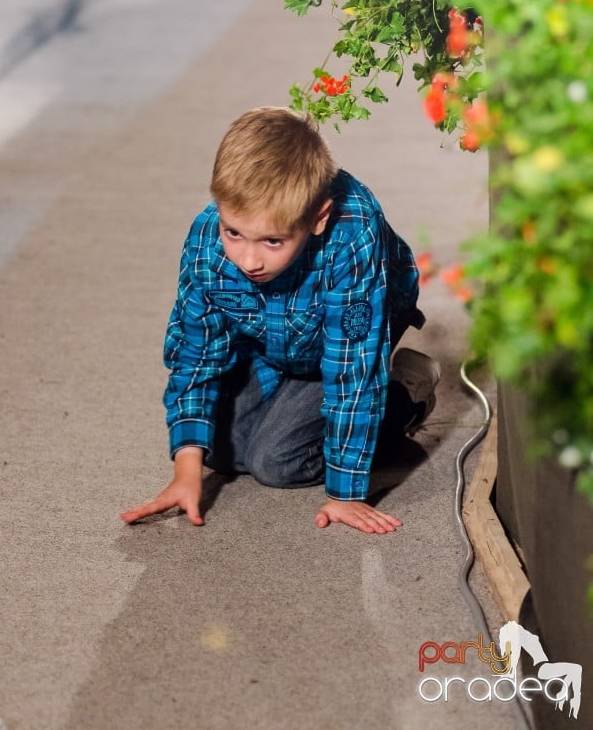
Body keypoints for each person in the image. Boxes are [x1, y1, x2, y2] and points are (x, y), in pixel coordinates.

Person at [121, 107, 441, 534]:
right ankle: (282, 390)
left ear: (318, 218)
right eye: (234, 233)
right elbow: (195, 354)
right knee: (214, 448)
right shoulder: (206, 239)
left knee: (276, 462)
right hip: (268, 336)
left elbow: (352, 372)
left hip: (348, 336)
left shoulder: (353, 233)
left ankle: (403, 392)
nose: (249, 260)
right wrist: (186, 472)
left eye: (272, 241)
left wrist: (346, 493)